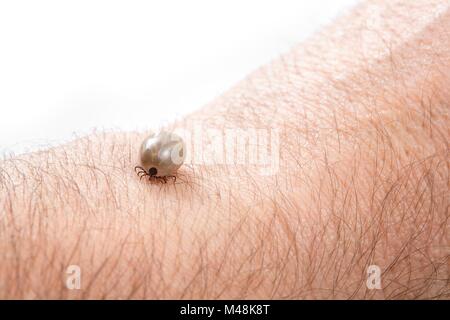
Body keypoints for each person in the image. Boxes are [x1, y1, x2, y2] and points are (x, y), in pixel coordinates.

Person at [0, 0, 448, 299]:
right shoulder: (156, 166)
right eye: (151, 175)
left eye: (152, 176)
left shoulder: (160, 164)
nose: (149, 177)